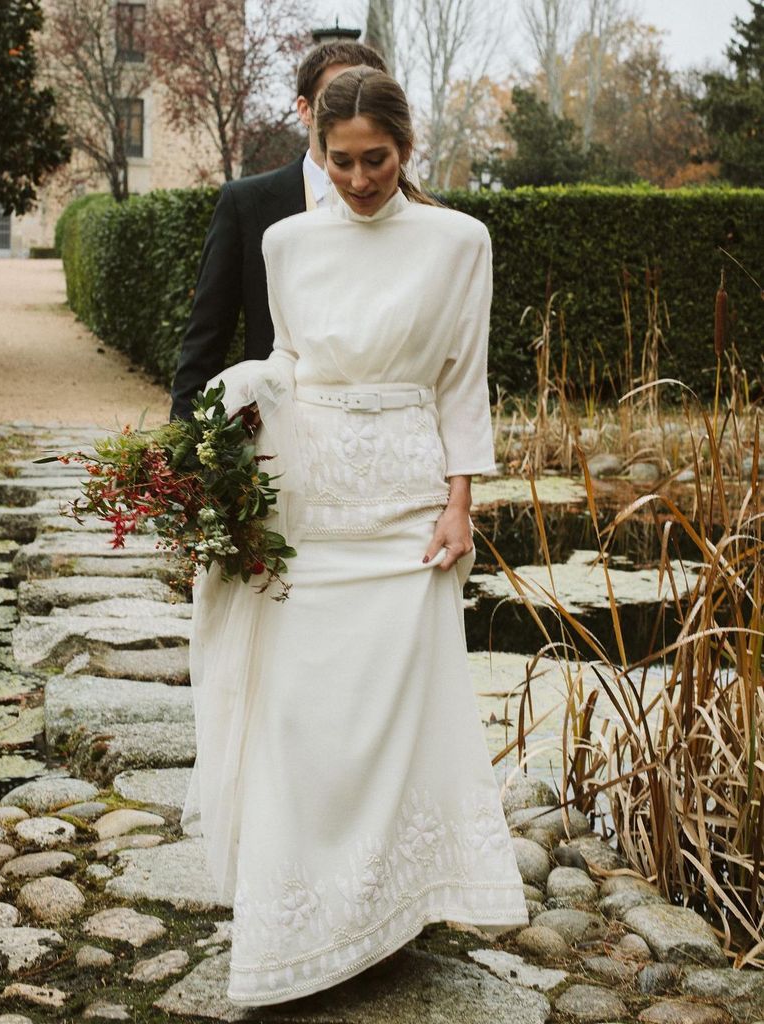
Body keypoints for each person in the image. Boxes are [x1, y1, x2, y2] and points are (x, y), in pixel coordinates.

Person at [181, 67, 527, 1007]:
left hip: (409, 514)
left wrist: (460, 505)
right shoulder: (287, 241)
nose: (360, 178)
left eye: (376, 159)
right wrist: (246, 393)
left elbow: (464, 382)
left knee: (393, 717)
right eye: (341, 161)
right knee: (301, 714)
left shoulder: (461, 241)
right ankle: (298, 924)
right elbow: (289, 357)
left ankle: (385, 914)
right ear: (318, 150)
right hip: (311, 507)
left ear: (406, 149)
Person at [169, 41, 388, 422]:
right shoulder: (247, 204)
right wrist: (182, 451)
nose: (352, 110)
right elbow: (207, 338)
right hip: (275, 432)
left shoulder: (421, 215)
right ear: (304, 109)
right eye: (335, 97)